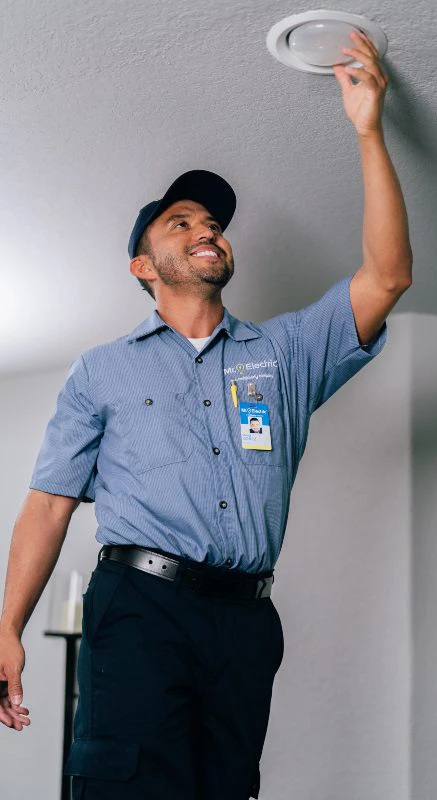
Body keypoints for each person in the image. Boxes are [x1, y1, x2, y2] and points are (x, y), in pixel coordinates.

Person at [0, 30, 412, 799]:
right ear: (143, 266)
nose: (207, 230)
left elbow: (387, 277)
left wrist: (367, 130)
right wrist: (7, 629)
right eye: (182, 223)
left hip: (246, 622)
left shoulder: (285, 353)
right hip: (139, 608)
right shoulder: (103, 370)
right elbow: (49, 505)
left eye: (213, 223)